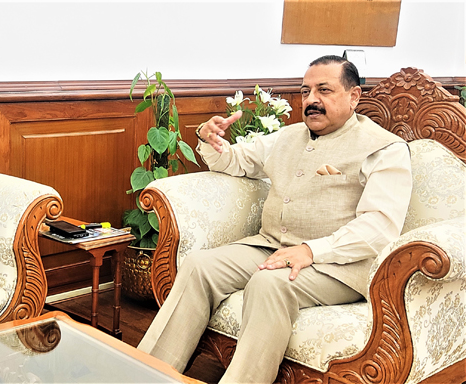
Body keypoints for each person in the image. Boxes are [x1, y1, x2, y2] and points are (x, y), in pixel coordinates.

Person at [137, 55, 412, 383]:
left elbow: (380, 225)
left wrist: (311, 251)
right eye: (305, 91)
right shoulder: (287, 136)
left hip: (336, 266)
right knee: (199, 266)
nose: (311, 100)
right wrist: (210, 140)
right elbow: (237, 162)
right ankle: (147, 375)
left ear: (353, 97)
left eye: (324, 90)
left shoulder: (384, 149)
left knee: (269, 284)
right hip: (270, 245)